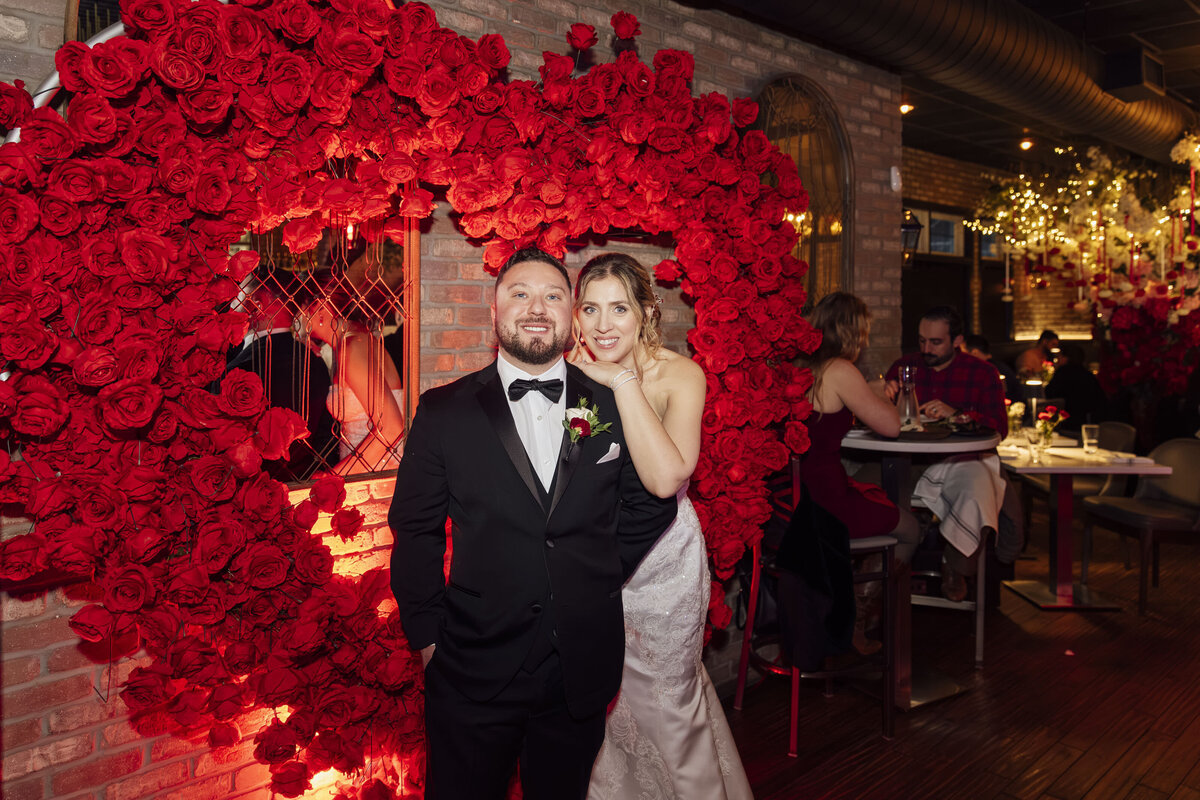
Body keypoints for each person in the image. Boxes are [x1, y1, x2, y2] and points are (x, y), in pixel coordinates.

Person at [388, 248, 677, 800]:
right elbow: (414, 528)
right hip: (472, 662)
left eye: (553, 296)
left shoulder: (617, 402)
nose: (537, 308)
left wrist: (592, 573)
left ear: (572, 314)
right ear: (494, 311)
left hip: (579, 667)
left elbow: (652, 502)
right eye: (520, 294)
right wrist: (426, 636)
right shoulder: (444, 411)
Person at [567, 254, 752, 800]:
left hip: (663, 563)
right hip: (593, 557)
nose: (603, 325)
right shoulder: (570, 373)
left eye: (619, 309)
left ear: (646, 312)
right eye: (590, 309)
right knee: (602, 698)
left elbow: (665, 478)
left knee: (668, 697)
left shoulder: (680, 375)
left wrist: (622, 381)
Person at [797, 292, 921, 650]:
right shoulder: (839, 369)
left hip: (794, 499)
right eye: (863, 333)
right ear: (852, 332)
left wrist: (867, 392)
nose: (865, 342)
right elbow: (891, 427)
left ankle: (847, 605)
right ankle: (857, 618)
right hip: (826, 504)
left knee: (872, 493)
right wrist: (881, 395)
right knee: (911, 529)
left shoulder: (799, 366)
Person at [882, 306, 1018, 601]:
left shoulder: (982, 373)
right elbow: (879, 417)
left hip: (962, 459)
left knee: (977, 486)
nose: (926, 349)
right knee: (872, 490)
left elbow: (999, 427)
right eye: (922, 341)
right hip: (911, 459)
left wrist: (957, 414)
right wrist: (883, 395)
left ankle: (955, 567)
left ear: (957, 341)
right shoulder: (905, 366)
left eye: (935, 342)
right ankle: (878, 586)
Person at [226, 281, 336, 481]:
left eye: (239, 295)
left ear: (257, 305)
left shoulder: (239, 369)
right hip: (305, 479)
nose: (233, 303)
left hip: (249, 483)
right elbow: (326, 433)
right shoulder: (313, 360)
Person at [300, 282, 406, 476]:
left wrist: (333, 478)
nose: (297, 317)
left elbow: (391, 429)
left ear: (321, 307)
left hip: (377, 469)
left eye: (301, 308)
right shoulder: (347, 342)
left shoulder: (353, 348)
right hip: (362, 468)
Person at [1044, 342, 1107, 434]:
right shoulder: (1088, 375)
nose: (1057, 359)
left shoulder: (1063, 373)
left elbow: (1049, 393)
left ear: (1066, 358)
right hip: (1086, 421)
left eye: (1060, 356)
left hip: (1066, 422)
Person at [962, 333, 1021, 404]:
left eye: (963, 353)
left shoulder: (991, 370)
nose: (960, 357)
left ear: (975, 353)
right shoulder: (994, 366)